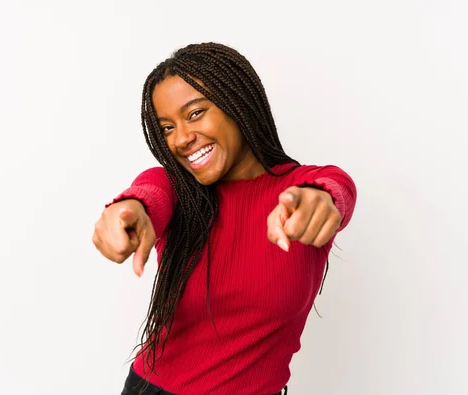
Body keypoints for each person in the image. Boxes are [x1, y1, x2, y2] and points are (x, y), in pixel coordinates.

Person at [92, 42, 357, 395]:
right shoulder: (177, 188)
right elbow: (148, 195)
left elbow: (335, 190)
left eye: (195, 113)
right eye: (167, 128)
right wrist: (128, 212)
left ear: (238, 106)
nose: (182, 138)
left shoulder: (303, 189)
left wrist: (321, 202)